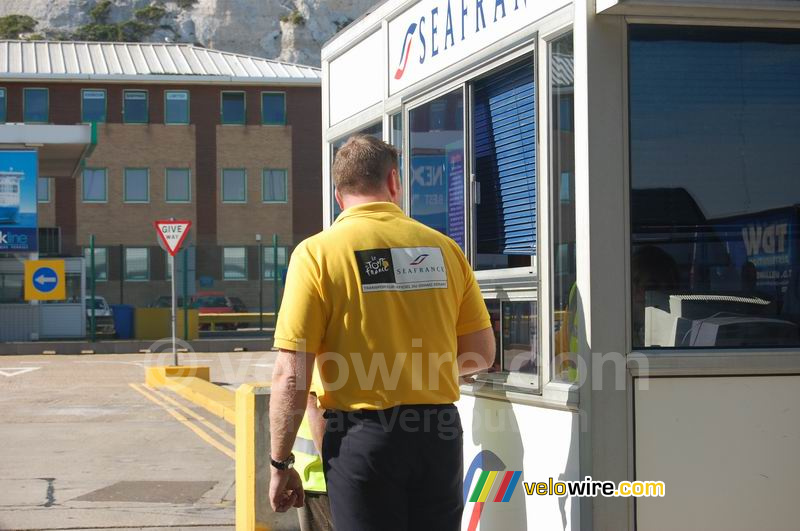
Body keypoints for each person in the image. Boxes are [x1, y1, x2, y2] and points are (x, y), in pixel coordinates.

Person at [268, 134, 495, 531]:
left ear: (339, 196)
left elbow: (291, 373)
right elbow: (480, 352)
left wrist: (279, 463)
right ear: (393, 182)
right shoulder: (444, 248)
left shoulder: (317, 254)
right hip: (437, 435)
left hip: (362, 440)